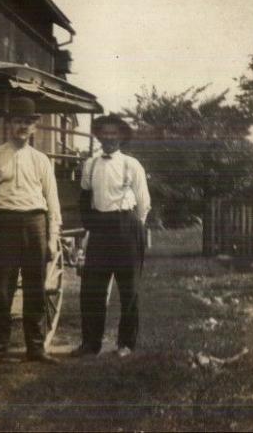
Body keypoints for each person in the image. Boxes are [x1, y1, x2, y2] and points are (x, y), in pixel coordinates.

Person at [0, 96, 62, 366]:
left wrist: (53, 238)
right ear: (9, 124)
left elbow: (52, 202)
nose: (22, 126)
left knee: (35, 290)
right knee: (2, 290)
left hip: (35, 224)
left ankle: (36, 348)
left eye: (27, 122)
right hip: (4, 225)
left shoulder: (42, 160)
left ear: (34, 127)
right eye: (17, 121)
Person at [71, 114, 150, 358]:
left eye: (114, 133)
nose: (108, 137)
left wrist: (133, 229)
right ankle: (90, 343)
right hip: (100, 229)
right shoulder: (90, 164)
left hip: (126, 226)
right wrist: (91, 225)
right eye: (104, 132)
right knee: (92, 288)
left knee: (129, 289)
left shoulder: (132, 164)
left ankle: (126, 343)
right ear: (98, 136)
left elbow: (143, 203)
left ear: (122, 136)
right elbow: (85, 198)